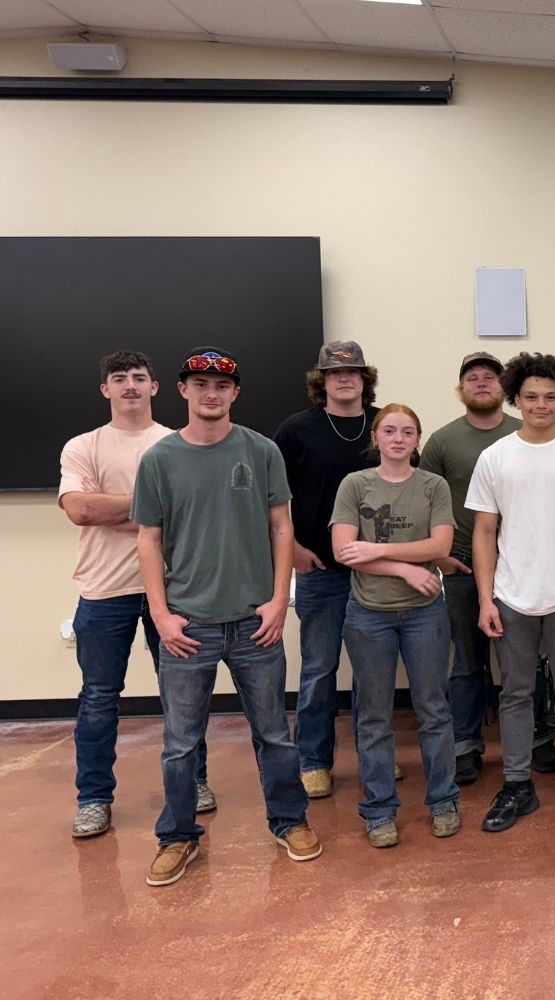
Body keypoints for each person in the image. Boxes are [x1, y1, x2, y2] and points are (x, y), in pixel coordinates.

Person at [133, 347, 319, 886]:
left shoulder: (260, 451)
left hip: (254, 621)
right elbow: (148, 539)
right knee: (180, 742)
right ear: (182, 391)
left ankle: (290, 821)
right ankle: (178, 836)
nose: (210, 393)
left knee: (274, 734)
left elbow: (282, 526)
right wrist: (162, 615)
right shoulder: (160, 459)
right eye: (200, 384)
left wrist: (279, 598)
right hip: (187, 625)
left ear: (235, 393)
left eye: (221, 386)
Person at [60, 351, 216, 838]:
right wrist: (154, 505)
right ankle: (93, 799)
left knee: (183, 695)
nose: (130, 385)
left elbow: (192, 514)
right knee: (99, 698)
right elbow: (81, 510)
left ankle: (196, 781)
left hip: (172, 592)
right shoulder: (83, 446)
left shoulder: (176, 443)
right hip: (104, 592)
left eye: (140, 378)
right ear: (105, 390)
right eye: (119, 378)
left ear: (156, 388)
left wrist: (123, 508)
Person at [468, 353, 555, 831]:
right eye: (531, 397)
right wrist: (487, 599)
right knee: (515, 693)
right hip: (511, 596)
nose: (540, 405)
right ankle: (516, 786)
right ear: (516, 399)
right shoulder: (495, 457)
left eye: (550, 397)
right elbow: (484, 533)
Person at [331, 404, 459, 847]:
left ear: (417, 440)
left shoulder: (433, 487)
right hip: (368, 614)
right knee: (373, 717)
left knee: (433, 710)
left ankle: (443, 800)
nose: (399, 438)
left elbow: (440, 544)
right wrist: (405, 568)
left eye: (408, 431)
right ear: (377, 438)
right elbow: (344, 551)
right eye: (390, 430)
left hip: (425, 614)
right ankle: (379, 809)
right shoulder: (355, 484)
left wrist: (374, 553)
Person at [272, 340, 381, 799]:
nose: (344, 379)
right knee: (319, 669)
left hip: (379, 570)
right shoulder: (296, 430)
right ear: (322, 380)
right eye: (335, 373)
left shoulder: (384, 425)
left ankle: (375, 759)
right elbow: (271, 497)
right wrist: (293, 547)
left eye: (353, 372)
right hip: (319, 568)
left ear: (364, 379)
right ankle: (314, 761)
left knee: (373, 671)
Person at [419, 351, 533, 787]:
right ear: (461, 388)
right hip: (463, 563)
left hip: (519, 563)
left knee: (525, 662)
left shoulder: (525, 432)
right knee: (467, 660)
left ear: (505, 388)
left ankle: (535, 740)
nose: (482, 383)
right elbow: (424, 499)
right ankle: (466, 743)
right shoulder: (444, 442)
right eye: (473, 378)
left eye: (490, 377)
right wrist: (440, 556)